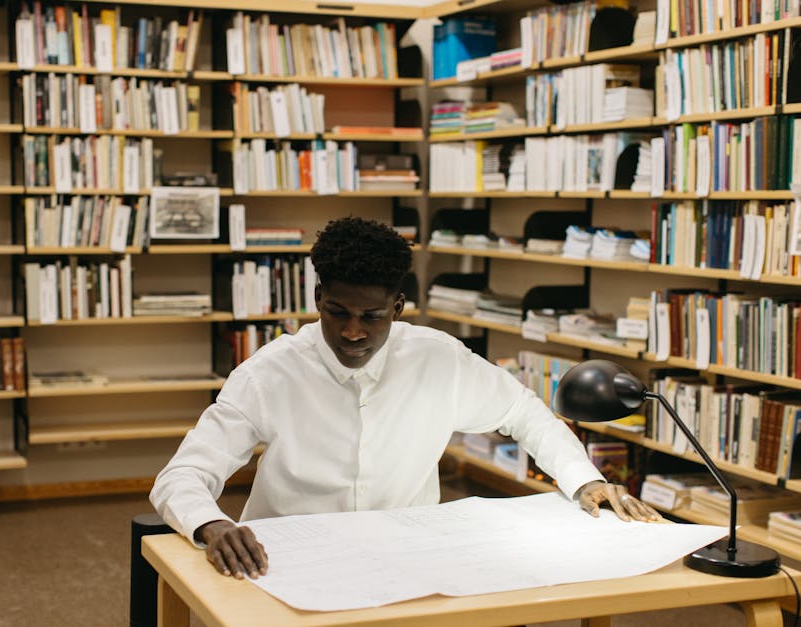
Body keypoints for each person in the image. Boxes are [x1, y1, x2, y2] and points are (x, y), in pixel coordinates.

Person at [150, 216, 660, 580]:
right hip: (285, 564)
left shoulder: (437, 359)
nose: (352, 332)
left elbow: (524, 413)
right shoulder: (270, 372)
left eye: (371, 316)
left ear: (397, 306)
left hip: (407, 559)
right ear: (317, 302)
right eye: (337, 312)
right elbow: (182, 476)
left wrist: (584, 481)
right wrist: (213, 523)